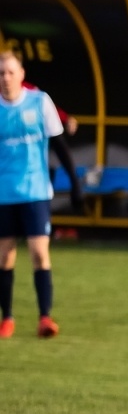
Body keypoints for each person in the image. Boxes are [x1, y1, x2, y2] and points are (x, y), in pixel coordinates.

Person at [0, 51, 80, 339]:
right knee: (4, 257)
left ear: (22, 75)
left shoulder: (39, 102)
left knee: (38, 253)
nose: (6, 78)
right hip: (3, 194)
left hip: (35, 191)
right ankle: (6, 318)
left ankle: (45, 318)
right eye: (1, 73)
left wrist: (75, 184)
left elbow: (60, 145)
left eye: (10, 72)